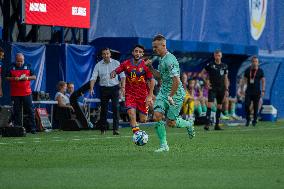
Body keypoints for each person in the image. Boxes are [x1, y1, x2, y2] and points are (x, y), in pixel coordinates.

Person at [145, 34, 195, 152]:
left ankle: (188, 124)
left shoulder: (170, 60)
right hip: (164, 92)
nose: (154, 49)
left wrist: (171, 96)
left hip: (175, 94)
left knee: (171, 123)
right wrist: (151, 68)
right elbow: (160, 76)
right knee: (157, 116)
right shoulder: (161, 59)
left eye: (156, 47)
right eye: (153, 47)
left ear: (163, 45)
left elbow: (177, 81)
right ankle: (164, 146)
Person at [110, 44, 155, 134]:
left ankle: (152, 110)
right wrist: (114, 72)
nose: (138, 53)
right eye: (136, 51)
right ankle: (137, 134)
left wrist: (150, 95)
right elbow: (118, 69)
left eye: (140, 52)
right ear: (133, 52)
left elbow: (152, 80)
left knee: (143, 120)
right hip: (130, 94)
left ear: (142, 54)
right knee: (131, 114)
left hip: (143, 95)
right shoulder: (126, 63)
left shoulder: (146, 65)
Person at [89, 48, 126, 135]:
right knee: (104, 110)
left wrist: (123, 87)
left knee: (116, 108)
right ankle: (103, 130)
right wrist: (91, 88)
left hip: (114, 88)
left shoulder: (116, 63)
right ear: (102, 55)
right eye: (104, 54)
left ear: (110, 54)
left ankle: (116, 129)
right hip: (103, 89)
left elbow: (123, 76)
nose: (106, 55)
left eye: (107, 53)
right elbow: (93, 77)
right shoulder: (98, 65)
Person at [5, 53, 37, 134]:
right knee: (17, 111)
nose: (20, 63)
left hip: (27, 93)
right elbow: (6, 78)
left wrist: (26, 77)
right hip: (15, 94)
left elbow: (34, 77)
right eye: (18, 61)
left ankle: (33, 128)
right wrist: (13, 78)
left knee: (30, 110)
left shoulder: (28, 65)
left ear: (24, 60)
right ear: (15, 60)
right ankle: (18, 128)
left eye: (21, 61)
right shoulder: (11, 66)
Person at [200, 49, 229, 130]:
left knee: (219, 106)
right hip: (213, 88)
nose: (217, 57)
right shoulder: (210, 64)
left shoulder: (224, 66)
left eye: (219, 55)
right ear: (214, 56)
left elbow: (226, 78)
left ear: (221, 56)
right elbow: (201, 74)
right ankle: (207, 124)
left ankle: (217, 125)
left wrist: (226, 89)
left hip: (222, 89)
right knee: (209, 105)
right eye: (216, 55)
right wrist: (206, 82)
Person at [241, 56, 265, 126]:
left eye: (256, 62)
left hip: (257, 91)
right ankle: (248, 119)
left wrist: (263, 90)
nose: (254, 63)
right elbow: (244, 80)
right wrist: (242, 90)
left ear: (258, 63)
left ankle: (254, 120)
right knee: (246, 105)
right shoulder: (248, 70)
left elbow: (263, 81)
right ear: (251, 62)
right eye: (253, 61)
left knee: (255, 106)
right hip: (248, 91)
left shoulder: (260, 71)